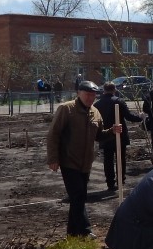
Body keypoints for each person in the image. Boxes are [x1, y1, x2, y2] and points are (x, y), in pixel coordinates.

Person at [46, 80, 121, 237]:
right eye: (87, 94)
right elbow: (54, 134)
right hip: (69, 161)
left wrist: (112, 131)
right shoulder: (66, 109)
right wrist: (53, 158)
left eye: (93, 95)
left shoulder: (95, 112)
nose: (90, 98)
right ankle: (85, 230)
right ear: (79, 93)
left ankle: (72, 234)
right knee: (79, 195)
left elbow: (99, 135)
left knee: (77, 198)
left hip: (86, 163)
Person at [93, 82, 144, 191]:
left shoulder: (97, 104)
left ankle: (110, 183)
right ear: (114, 90)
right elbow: (129, 116)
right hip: (119, 134)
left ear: (104, 90)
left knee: (108, 160)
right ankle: (121, 179)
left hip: (105, 135)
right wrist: (140, 117)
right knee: (120, 159)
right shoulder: (118, 101)